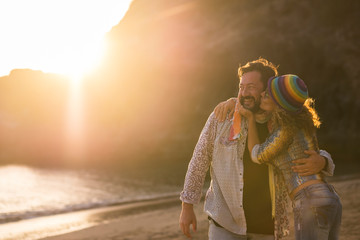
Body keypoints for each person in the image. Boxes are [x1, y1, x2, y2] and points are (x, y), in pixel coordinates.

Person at [179, 58, 335, 240]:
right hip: (224, 223)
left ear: (266, 91)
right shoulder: (221, 118)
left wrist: (323, 160)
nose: (244, 93)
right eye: (241, 86)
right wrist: (187, 206)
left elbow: (305, 146)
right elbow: (199, 159)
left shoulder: (282, 121)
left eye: (251, 87)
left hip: (268, 228)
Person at [238, 74, 342, 240]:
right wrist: (323, 161)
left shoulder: (284, 130)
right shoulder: (299, 123)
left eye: (267, 95)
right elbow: (316, 152)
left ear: (278, 102)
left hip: (310, 199)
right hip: (330, 197)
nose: (263, 95)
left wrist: (250, 119)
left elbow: (257, 154)